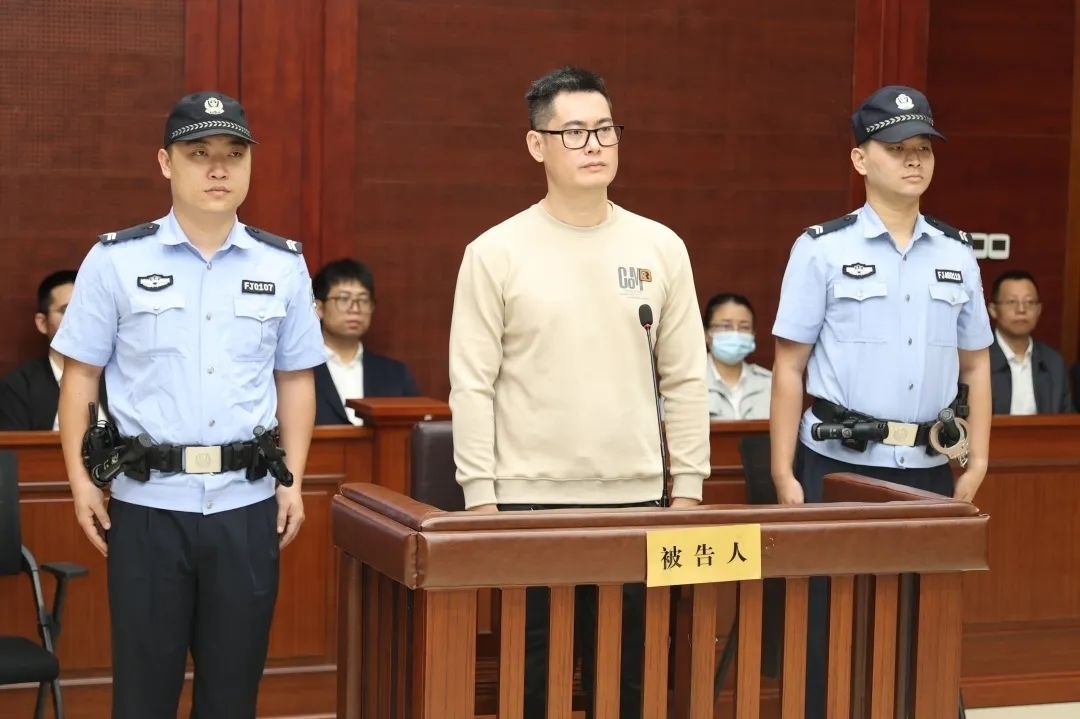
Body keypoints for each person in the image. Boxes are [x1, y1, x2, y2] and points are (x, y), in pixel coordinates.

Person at [52, 91, 324, 719]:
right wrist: (81, 482)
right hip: (148, 508)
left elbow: (296, 379)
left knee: (232, 694)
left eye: (234, 154)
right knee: (144, 695)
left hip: (246, 507)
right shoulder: (116, 260)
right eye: (199, 153)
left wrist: (294, 480)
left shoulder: (282, 265)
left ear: (250, 164)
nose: (218, 168)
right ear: (165, 163)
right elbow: (80, 375)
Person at [448, 66, 710, 718]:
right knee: (531, 685)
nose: (594, 145)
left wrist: (688, 490)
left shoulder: (661, 246)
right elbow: (471, 383)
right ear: (536, 144)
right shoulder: (495, 252)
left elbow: (685, 377)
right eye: (574, 132)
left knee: (629, 685)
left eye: (605, 130)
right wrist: (481, 500)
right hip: (528, 504)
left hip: (637, 502)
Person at [770, 85, 993, 719]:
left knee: (924, 628)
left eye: (923, 148)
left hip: (927, 469)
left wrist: (977, 462)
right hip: (838, 464)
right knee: (828, 628)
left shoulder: (956, 252)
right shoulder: (822, 248)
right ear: (860, 159)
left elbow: (977, 365)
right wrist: (785, 474)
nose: (913, 160)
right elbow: (789, 366)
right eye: (896, 148)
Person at [311, 258, 420, 425]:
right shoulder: (300, 371)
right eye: (343, 299)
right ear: (319, 308)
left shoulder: (395, 374)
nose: (355, 309)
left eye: (363, 300)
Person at [0, 269, 109, 430]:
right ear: (42, 323)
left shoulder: (119, 376)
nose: (80, 318)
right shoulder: (18, 387)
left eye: (87, 309)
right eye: (66, 310)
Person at [987, 269, 1073, 413]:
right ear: (993, 309)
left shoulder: (1053, 362)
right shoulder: (978, 360)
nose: (1021, 309)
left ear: (1039, 309)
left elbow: (1067, 419)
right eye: (1012, 302)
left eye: (1029, 302)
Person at [702, 292, 771, 419]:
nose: (735, 333)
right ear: (706, 333)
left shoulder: (770, 384)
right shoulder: (688, 382)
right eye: (725, 326)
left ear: (753, 334)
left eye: (744, 327)